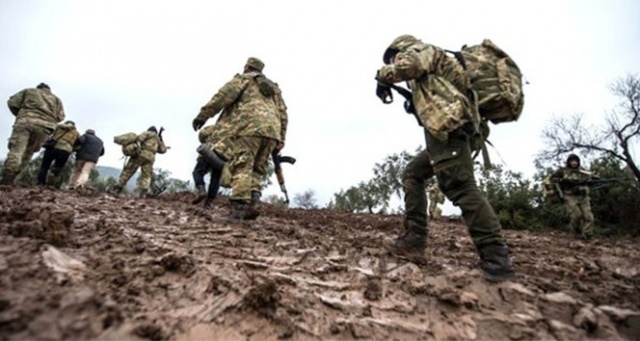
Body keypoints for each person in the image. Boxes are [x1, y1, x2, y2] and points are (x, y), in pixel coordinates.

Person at [375, 34, 515, 282]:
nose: (395, 61)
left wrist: (383, 74)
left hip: (450, 128)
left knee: (460, 187)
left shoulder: (420, 49)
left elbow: (409, 66)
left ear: (401, 48)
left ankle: (496, 261)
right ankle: (414, 240)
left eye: (393, 57)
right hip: (447, 131)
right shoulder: (433, 67)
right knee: (413, 174)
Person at [192, 57, 287, 220]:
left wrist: (202, 116)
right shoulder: (274, 91)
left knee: (242, 166)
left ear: (247, 67)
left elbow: (221, 97)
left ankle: (238, 211)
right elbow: (283, 114)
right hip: (272, 133)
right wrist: (281, 138)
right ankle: (253, 204)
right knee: (257, 168)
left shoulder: (244, 80)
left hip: (248, 128)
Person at [1, 83, 65, 185]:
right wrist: (48, 119)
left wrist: (20, 114)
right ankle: (13, 177)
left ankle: (7, 176)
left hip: (25, 122)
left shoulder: (29, 91)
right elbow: (60, 117)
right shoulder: (57, 100)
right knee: (28, 153)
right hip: (44, 128)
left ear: (38, 88)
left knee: (17, 150)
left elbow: (12, 103)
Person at [550, 154, 598, 240]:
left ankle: (588, 235)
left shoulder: (583, 172)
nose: (574, 163)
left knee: (589, 217)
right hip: (570, 196)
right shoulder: (563, 171)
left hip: (583, 196)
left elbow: (593, 179)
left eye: (575, 161)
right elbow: (553, 178)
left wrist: (593, 180)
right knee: (576, 215)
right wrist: (564, 181)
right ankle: (576, 233)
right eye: (572, 161)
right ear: (569, 162)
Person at [111, 126, 167, 197]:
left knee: (129, 171)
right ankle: (143, 193)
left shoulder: (148, 133)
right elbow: (163, 150)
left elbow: (139, 139)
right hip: (150, 158)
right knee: (146, 175)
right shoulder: (158, 140)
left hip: (140, 154)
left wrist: (134, 148)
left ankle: (117, 189)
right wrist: (161, 139)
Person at [37, 120, 79, 188]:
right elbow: (78, 144)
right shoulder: (76, 133)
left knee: (45, 166)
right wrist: (72, 149)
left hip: (52, 147)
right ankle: (52, 179)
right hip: (65, 151)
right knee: (58, 166)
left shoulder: (58, 126)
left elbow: (48, 133)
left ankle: (40, 183)